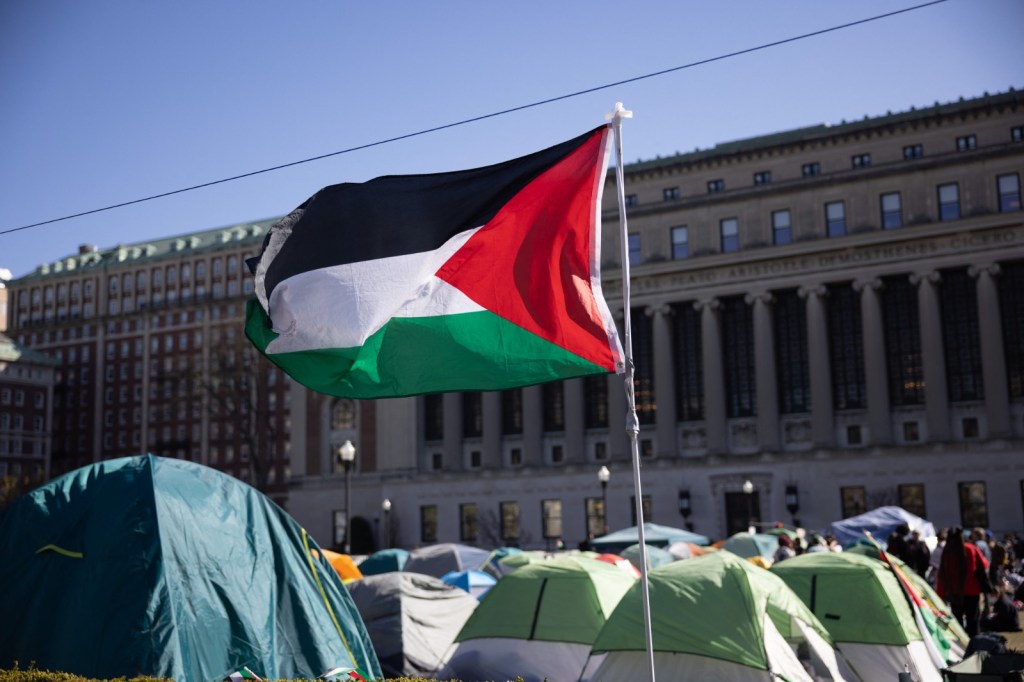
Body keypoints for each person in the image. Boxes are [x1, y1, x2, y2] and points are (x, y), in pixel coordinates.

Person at [937, 527, 991, 637]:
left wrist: (941, 594)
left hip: (954, 592)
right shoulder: (971, 548)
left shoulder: (947, 551)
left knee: (957, 621)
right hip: (972, 591)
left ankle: (961, 643)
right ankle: (974, 643)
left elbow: (942, 574)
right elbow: (984, 565)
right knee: (973, 620)